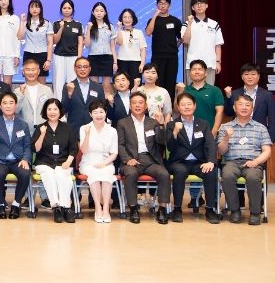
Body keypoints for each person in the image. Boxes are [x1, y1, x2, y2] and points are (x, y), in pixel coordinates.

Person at [217, 94, 272, 225]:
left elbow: (267, 150)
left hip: (253, 162)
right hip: (231, 162)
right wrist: (226, 138)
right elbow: (221, 151)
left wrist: (256, 161)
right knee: (227, 176)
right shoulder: (225, 127)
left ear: (252, 108)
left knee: (253, 177)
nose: (244, 107)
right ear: (234, 107)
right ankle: (235, 211)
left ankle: (255, 213)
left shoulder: (260, 128)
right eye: (240, 104)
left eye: (248, 105)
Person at [116, 91, 170, 224]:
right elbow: (120, 145)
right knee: (131, 174)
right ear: (130, 106)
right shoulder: (123, 123)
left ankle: (162, 209)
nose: (137, 105)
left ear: (146, 106)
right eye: (134, 103)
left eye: (140, 103)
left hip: (151, 160)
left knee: (164, 174)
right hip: (131, 160)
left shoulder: (153, 122)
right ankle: (133, 209)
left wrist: (161, 125)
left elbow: (162, 142)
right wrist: (127, 159)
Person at [166, 93, 219, 224]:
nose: (186, 107)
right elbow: (170, 147)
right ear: (178, 107)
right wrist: (175, 132)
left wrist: (211, 161)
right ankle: (177, 209)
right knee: (180, 171)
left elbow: (210, 144)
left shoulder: (203, 124)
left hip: (198, 162)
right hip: (179, 161)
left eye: (189, 104)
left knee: (210, 172)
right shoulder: (172, 124)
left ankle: (210, 209)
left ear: (194, 106)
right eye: (183, 104)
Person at [32, 98, 78, 223]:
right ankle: (56, 207)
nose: (52, 112)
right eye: (49, 109)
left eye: (55, 109)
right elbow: (35, 149)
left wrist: (68, 161)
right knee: (48, 174)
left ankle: (66, 207)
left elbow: (73, 148)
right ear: (45, 111)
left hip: (63, 162)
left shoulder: (67, 128)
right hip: (44, 162)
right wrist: (42, 134)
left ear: (60, 111)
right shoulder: (40, 127)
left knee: (62, 174)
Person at [0, 92, 31, 219]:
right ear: (0, 106)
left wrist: (25, 159)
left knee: (25, 173)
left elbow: (27, 146)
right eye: (5, 103)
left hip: (18, 160)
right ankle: (0, 204)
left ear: (16, 105)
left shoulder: (23, 125)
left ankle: (16, 204)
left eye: (11, 103)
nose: (8, 106)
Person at [79, 100, 118, 223]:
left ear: (106, 113)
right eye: (95, 112)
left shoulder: (112, 130)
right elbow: (84, 151)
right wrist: (87, 135)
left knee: (107, 174)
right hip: (88, 163)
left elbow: (114, 153)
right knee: (94, 174)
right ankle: (97, 208)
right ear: (90, 114)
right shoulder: (84, 128)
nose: (99, 115)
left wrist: (105, 163)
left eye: (101, 112)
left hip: (106, 162)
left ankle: (105, 208)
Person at [145, 0, 182, 100]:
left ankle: (169, 107)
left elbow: (181, 38)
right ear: (157, 5)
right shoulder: (152, 20)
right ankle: (157, 105)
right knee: (157, 82)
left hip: (172, 57)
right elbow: (148, 32)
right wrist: (155, 16)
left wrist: (175, 47)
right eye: (160, 3)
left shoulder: (175, 21)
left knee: (170, 81)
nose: (162, 6)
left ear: (169, 5)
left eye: (165, 3)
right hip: (157, 57)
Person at [224, 63, 275, 140]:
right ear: (242, 77)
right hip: (238, 134)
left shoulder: (267, 95)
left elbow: (272, 118)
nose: (250, 77)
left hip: (259, 135)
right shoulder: (235, 93)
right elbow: (228, 113)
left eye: (253, 74)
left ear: (258, 76)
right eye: (246, 74)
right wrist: (228, 97)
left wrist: (270, 139)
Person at [181, 0, 223, 85]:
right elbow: (186, 41)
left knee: (209, 91)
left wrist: (218, 62)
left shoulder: (214, 24)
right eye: (196, 4)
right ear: (193, 8)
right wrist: (190, 24)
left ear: (206, 6)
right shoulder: (186, 24)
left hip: (210, 64)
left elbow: (218, 45)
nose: (199, 6)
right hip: (192, 65)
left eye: (202, 3)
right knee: (192, 91)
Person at [60, 57, 105, 134]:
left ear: (90, 69)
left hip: (94, 130)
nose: (82, 69)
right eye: (79, 67)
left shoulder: (98, 87)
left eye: (85, 67)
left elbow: (103, 109)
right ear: (75, 69)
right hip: (74, 130)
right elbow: (63, 110)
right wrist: (69, 95)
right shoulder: (68, 86)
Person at [177, 60, 224, 134]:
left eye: (200, 69)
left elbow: (220, 112)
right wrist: (179, 92)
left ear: (205, 73)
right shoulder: (184, 89)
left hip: (209, 132)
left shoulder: (215, 90)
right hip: (187, 133)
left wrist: (214, 132)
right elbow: (176, 110)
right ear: (190, 73)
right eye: (193, 69)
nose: (197, 72)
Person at [51, 0, 83, 98]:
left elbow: (80, 43)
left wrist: (79, 58)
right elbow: (55, 41)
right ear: (61, 10)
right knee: (58, 82)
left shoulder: (78, 24)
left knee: (73, 83)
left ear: (73, 10)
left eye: (69, 8)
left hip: (73, 57)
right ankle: (58, 104)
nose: (67, 10)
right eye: (64, 8)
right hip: (59, 57)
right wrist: (61, 27)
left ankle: (72, 104)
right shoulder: (56, 23)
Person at [84, 2, 116, 96]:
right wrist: (89, 29)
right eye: (97, 11)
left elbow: (112, 47)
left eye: (101, 11)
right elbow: (87, 45)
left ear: (105, 13)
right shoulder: (89, 26)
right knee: (94, 86)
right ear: (93, 12)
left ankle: (106, 104)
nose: (99, 13)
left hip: (107, 58)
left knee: (106, 86)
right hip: (93, 58)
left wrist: (115, 62)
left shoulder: (110, 26)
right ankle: (95, 104)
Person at [14, 58, 54, 131]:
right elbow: (15, 111)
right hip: (24, 131)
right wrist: (21, 94)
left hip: (44, 130)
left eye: (33, 70)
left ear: (38, 72)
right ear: (23, 72)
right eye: (28, 70)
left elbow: (53, 110)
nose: (31, 72)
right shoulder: (17, 91)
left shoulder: (47, 90)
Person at [18, 0, 53, 79]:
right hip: (28, 54)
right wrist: (22, 22)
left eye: (37, 7)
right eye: (32, 7)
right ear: (29, 9)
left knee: (41, 81)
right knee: (29, 80)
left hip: (42, 55)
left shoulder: (47, 23)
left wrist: (48, 60)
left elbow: (50, 43)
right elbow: (20, 37)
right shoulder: (25, 23)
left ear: (40, 9)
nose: (34, 9)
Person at [115, 8, 146, 83]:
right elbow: (119, 43)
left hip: (136, 63)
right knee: (122, 84)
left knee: (135, 85)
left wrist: (142, 64)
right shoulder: (118, 32)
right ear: (121, 19)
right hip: (121, 62)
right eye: (125, 17)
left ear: (133, 19)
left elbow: (143, 49)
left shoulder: (139, 32)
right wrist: (118, 29)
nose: (127, 19)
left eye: (130, 17)